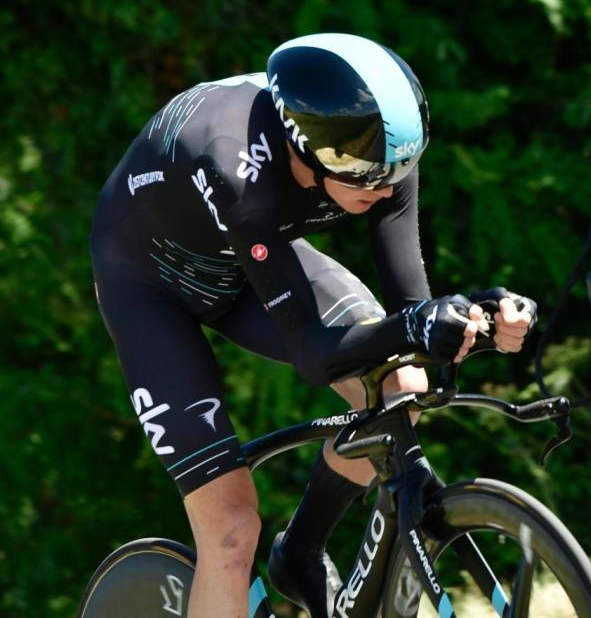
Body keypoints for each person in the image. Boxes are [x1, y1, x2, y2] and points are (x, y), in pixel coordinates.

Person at [89, 33, 536, 618]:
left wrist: (475, 314)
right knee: (229, 531)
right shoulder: (237, 169)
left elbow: (411, 317)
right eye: (366, 177)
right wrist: (417, 327)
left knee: (402, 386)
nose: (384, 189)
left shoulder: (379, 158)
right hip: (149, 290)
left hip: (246, 265)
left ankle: (301, 550)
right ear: (305, 148)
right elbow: (316, 354)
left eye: (399, 171)